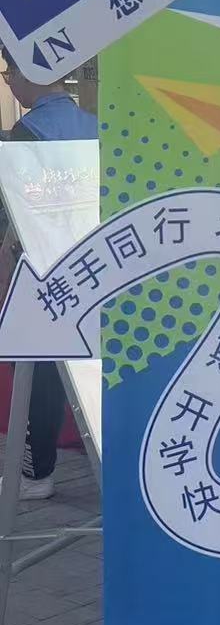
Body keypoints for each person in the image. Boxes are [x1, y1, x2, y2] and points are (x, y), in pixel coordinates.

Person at [0, 48, 96, 502]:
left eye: (10, 72)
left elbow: (17, 211)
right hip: (93, 264)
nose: (9, 82)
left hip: (42, 268)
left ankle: (36, 474)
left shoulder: (28, 132)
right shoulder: (94, 124)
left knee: (37, 371)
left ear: (32, 73)